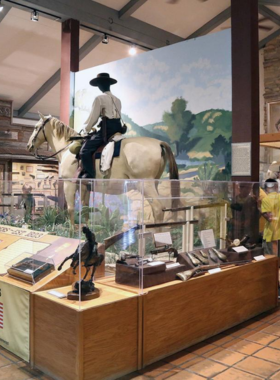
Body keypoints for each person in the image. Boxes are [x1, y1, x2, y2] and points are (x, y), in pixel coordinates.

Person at [79, 73, 126, 178]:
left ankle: (89, 177)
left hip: (107, 129)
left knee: (84, 150)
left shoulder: (99, 98)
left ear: (100, 85)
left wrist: (85, 129)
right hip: (118, 128)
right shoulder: (118, 100)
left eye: (98, 84)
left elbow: (93, 118)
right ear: (109, 84)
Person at [261, 178, 280, 255]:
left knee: (271, 260)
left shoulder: (266, 200)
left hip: (272, 235)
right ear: (277, 187)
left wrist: (259, 209)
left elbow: (269, 218)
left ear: (266, 188)